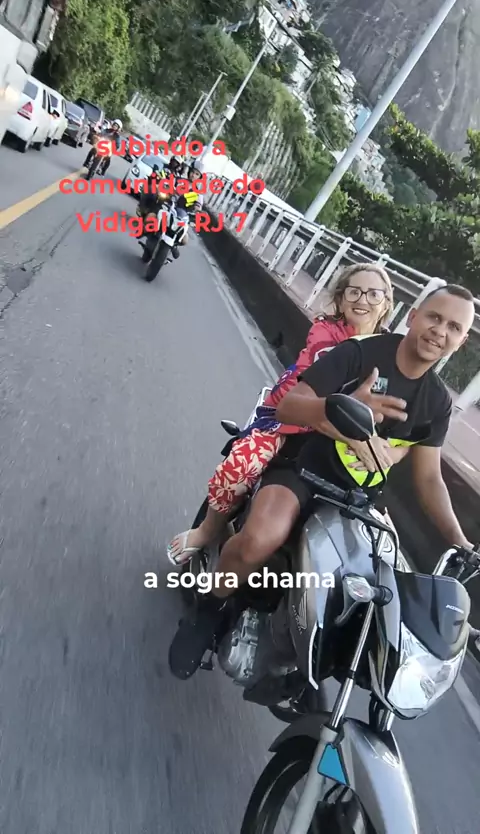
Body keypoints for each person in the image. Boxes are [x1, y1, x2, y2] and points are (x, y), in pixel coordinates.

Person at [168, 284, 477, 680]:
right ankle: (207, 610)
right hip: (303, 471)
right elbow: (289, 405)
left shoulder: (437, 402)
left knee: (374, 593)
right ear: (414, 316)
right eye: (435, 317)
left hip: (356, 501)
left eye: (454, 327)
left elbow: (430, 477)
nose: (440, 330)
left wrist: (461, 542)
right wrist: (339, 408)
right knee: (261, 538)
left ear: (461, 342)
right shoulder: (360, 353)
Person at [167, 263, 398, 565]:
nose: (362, 300)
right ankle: (206, 530)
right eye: (354, 292)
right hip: (290, 421)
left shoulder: (391, 353)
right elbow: (316, 399)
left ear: (386, 304)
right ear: (341, 299)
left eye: (373, 294)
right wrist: (356, 437)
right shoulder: (326, 334)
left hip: (343, 435)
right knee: (240, 466)